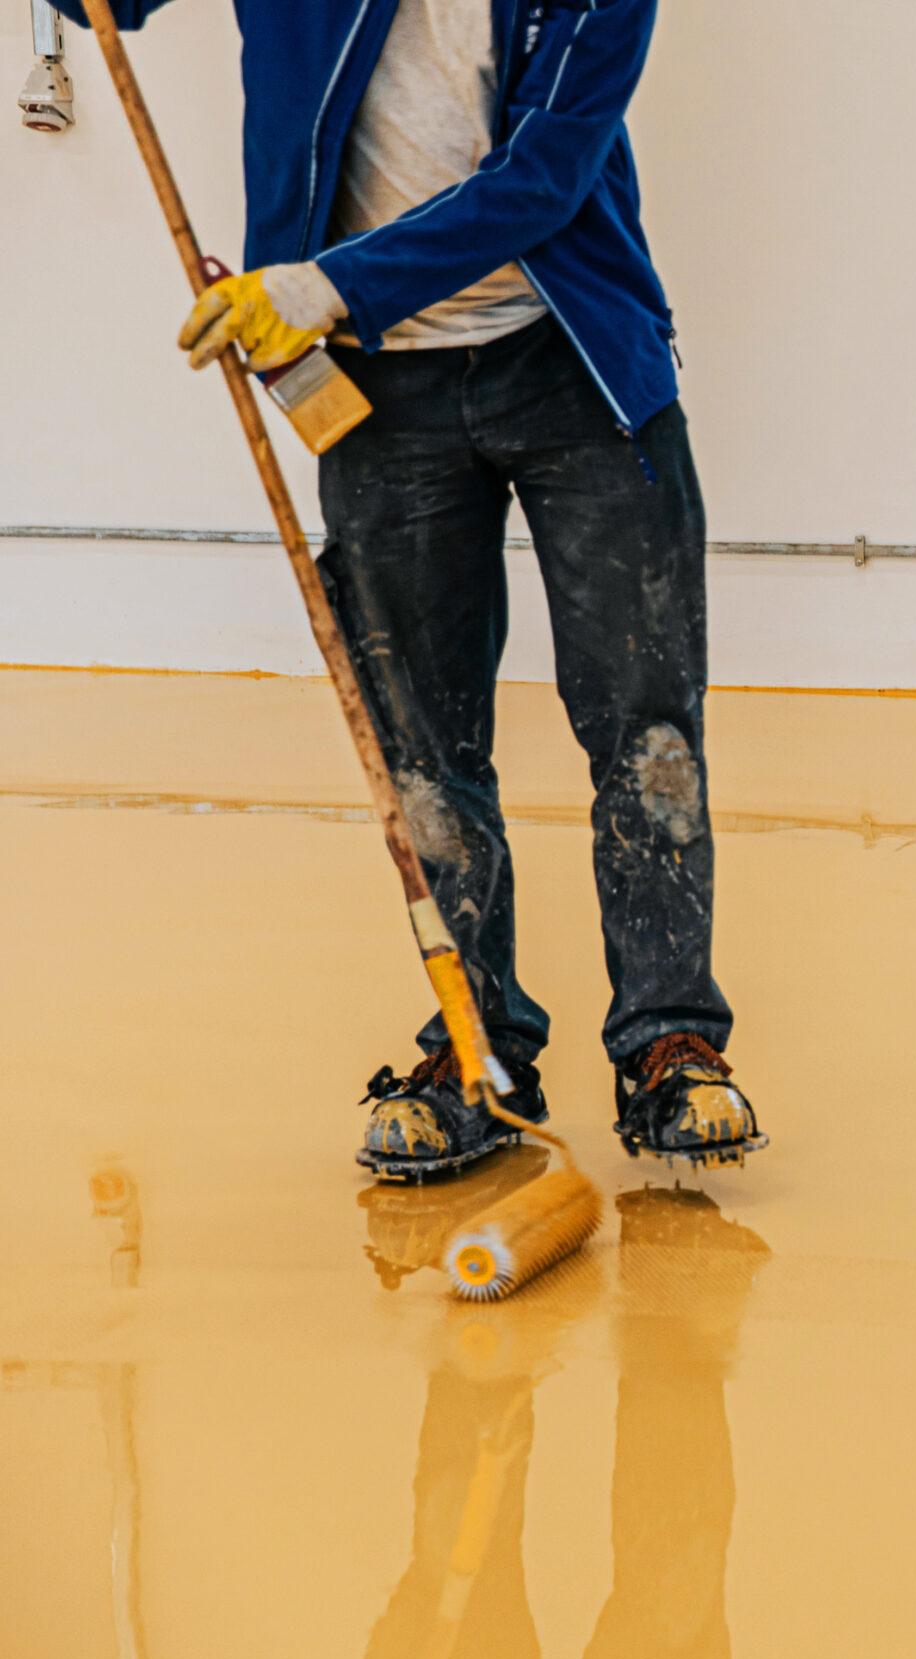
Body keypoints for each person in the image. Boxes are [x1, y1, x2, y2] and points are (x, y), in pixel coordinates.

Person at [59, 0, 760, 1174]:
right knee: (424, 748)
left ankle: (670, 1041)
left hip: (576, 366)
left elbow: (543, 178)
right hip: (381, 397)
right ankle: (475, 1049)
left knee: (646, 728)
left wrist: (322, 287)